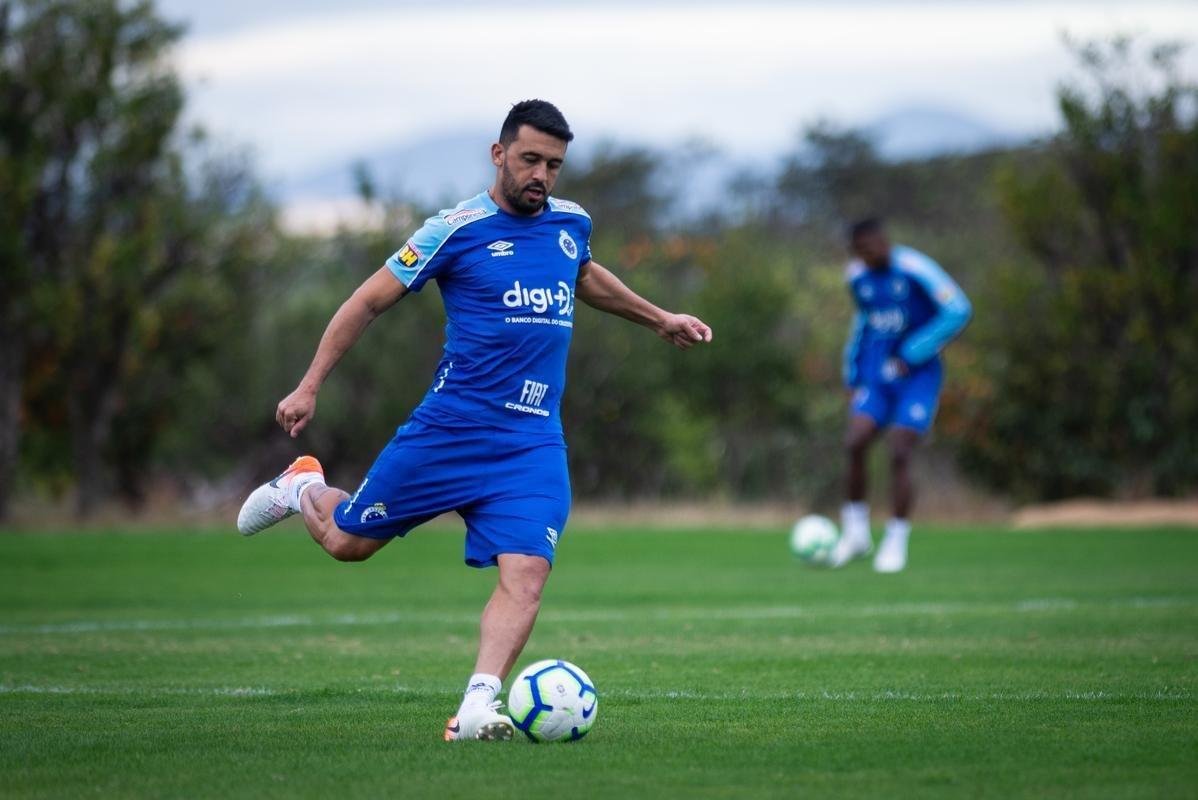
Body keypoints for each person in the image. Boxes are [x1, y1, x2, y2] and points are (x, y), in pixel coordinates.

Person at [235, 100, 712, 741]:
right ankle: (302, 486)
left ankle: (478, 708)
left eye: (554, 164)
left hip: (532, 441)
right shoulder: (454, 229)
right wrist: (309, 384)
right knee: (350, 544)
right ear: (498, 154)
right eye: (530, 160)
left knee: (528, 573)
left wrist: (661, 319)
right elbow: (367, 300)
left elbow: (584, 274)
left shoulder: (572, 224)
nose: (542, 174)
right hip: (450, 432)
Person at [831, 218, 971, 573]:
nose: (871, 253)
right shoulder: (857, 277)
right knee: (855, 440)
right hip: (876, 377)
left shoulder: (914, 267)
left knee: (899, 448)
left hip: (917, 376)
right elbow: (863, 323)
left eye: (875, 245)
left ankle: (895, 541)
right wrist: (852, 372)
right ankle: (856, 533)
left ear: (885, 241)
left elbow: (958, 309)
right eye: (862, 250)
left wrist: (915, 350)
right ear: (855, 252)